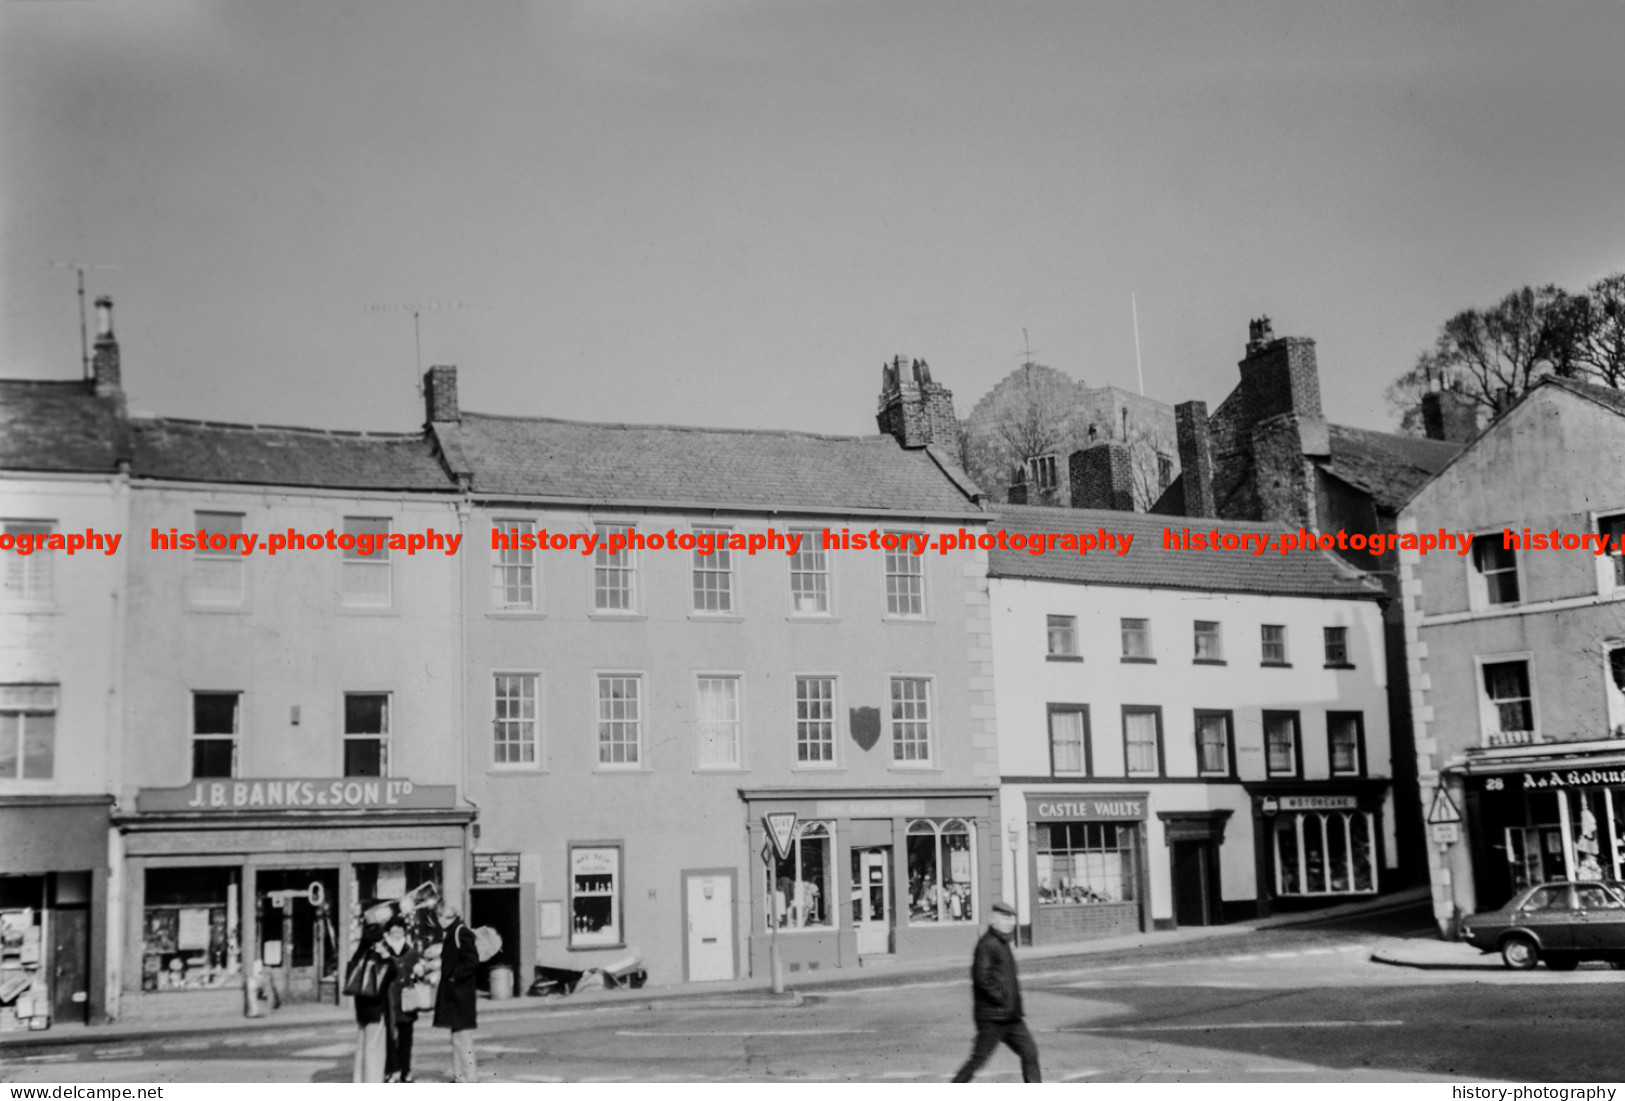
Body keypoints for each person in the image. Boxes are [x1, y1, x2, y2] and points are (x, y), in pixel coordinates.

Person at [952, 901, 1041, 1083]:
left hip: (1010, 1017)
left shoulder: (1002, 943)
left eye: (1011, 918)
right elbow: (982, 978)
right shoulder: (988, 944)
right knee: (977, 1060)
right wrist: (1002, 998)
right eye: (1005, 918)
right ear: (993, 919)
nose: (1009, 922)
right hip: (993, 1017)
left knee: (1030, 1053)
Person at [432, 901, 479, 1083]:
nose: (442, 920)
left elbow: (472, 961)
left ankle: (470, 1076)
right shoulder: (452, 932)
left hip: (460, 994)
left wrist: (453, 976)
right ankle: (460, 1077)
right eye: (440, 916)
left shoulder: (461, 932)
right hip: (455, 994)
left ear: (454, 917)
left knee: (463, 1037)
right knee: (457, 1037)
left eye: (447, 917)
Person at [349, 922, 397, 1084]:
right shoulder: (377, 958)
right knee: (374, 1051)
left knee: (362, 1049)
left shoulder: (358, 955)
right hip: (376, 1010)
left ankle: (360, 1081)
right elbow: (392, 973)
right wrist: (387, 955)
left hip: (361, 1010)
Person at [382, 919, 424, 1083]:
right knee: (389, 1039)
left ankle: (405, 1070)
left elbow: (419, 973)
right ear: (388, 933)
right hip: (389, 1001)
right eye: (394, 930)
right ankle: (392, 1071)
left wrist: (420, 971)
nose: (397, 933)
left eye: (400, 930)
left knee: (406, 1039)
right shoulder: (384, 950)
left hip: (407, 1001)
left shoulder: (411, 951)